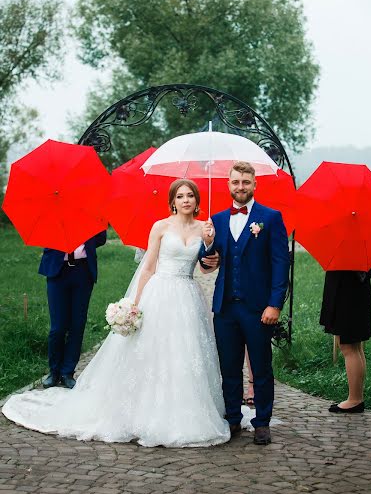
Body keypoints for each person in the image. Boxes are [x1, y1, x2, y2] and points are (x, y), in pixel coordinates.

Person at [2, 179, 235, 447]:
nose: (186, 200)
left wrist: (209, 248)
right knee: (150, 351)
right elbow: (148, 268)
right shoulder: (160, 227)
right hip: (159, 293)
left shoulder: (206, 229)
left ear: (196, 200)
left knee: (185, 352)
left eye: (190, 196)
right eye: (180, 196)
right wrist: (134, 305)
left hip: (188, 295)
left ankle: (182, 409)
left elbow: (206, 268)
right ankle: (138, 407)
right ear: (172, 201)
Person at [199, 161, 290, 445]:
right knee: (229, 366)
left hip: (258, 307)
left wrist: (275, 304)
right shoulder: (217, 220)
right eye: (236, 182)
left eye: (245, 182)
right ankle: (232, 418)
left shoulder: (270, 218)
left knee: (261, 366)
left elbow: (280, 264)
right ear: (228, 184)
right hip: (225, 306)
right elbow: (209, 262)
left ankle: (262, 422)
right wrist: (207, 248)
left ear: (254, 185)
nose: (240, 187)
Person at [38, 231, 107, 389]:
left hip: (83, 271)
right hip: (57, 271)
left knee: (77, 324)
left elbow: (101, 239)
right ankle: (54, 372)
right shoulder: (52, 211)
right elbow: (43, 235)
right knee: (58, 328)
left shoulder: (91, 212)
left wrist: (81, 238)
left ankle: (67, 372)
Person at [319, 270, 371, 413]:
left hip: (348, 291)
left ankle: (355, 399)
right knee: (354, 346)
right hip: (352, 288)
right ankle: (356, 397)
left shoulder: (349, 253)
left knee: (349, 346)